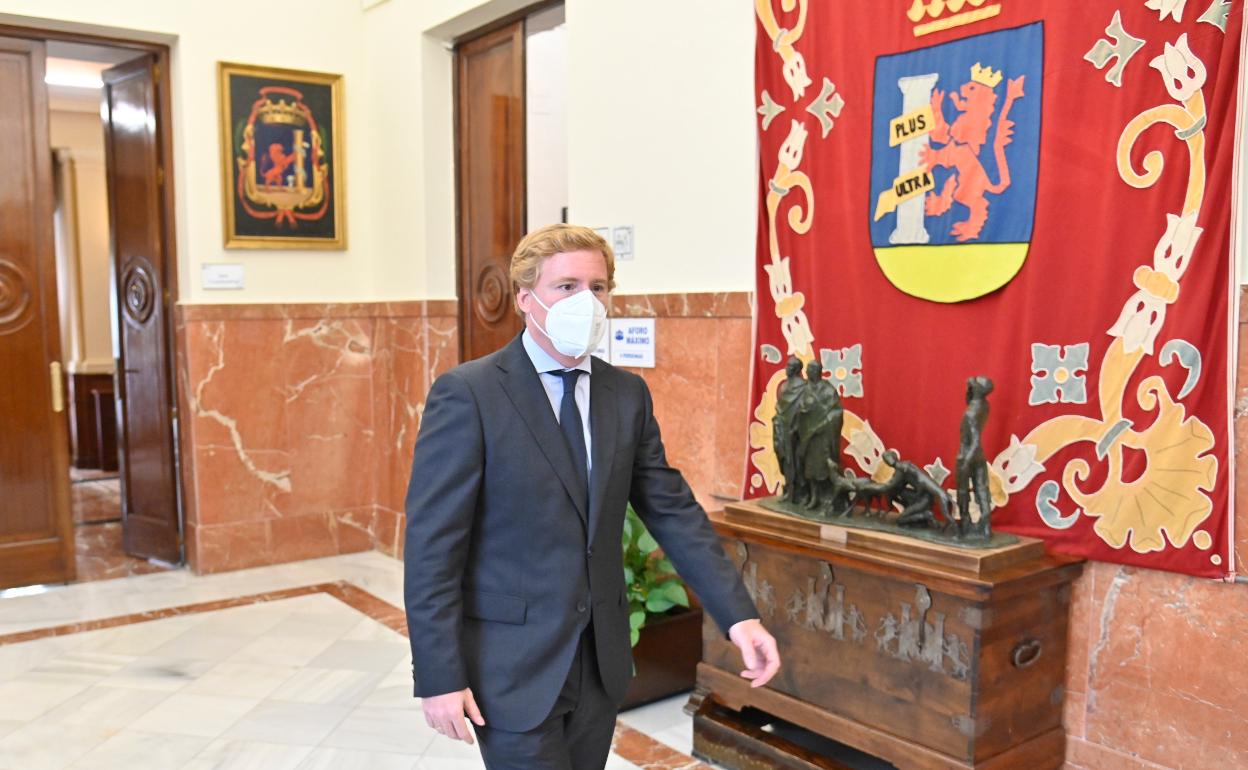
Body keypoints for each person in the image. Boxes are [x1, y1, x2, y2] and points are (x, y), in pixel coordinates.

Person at [404, 224, 781, 769]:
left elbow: (671, 509)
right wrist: (440, 675)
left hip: (599, 663)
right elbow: (432, 546)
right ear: (525, 299)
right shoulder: (469, 394)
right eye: (567, 286)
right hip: (510, 667)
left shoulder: (625, 395)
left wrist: (738, 617)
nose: (588, 300)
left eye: (599, 287)